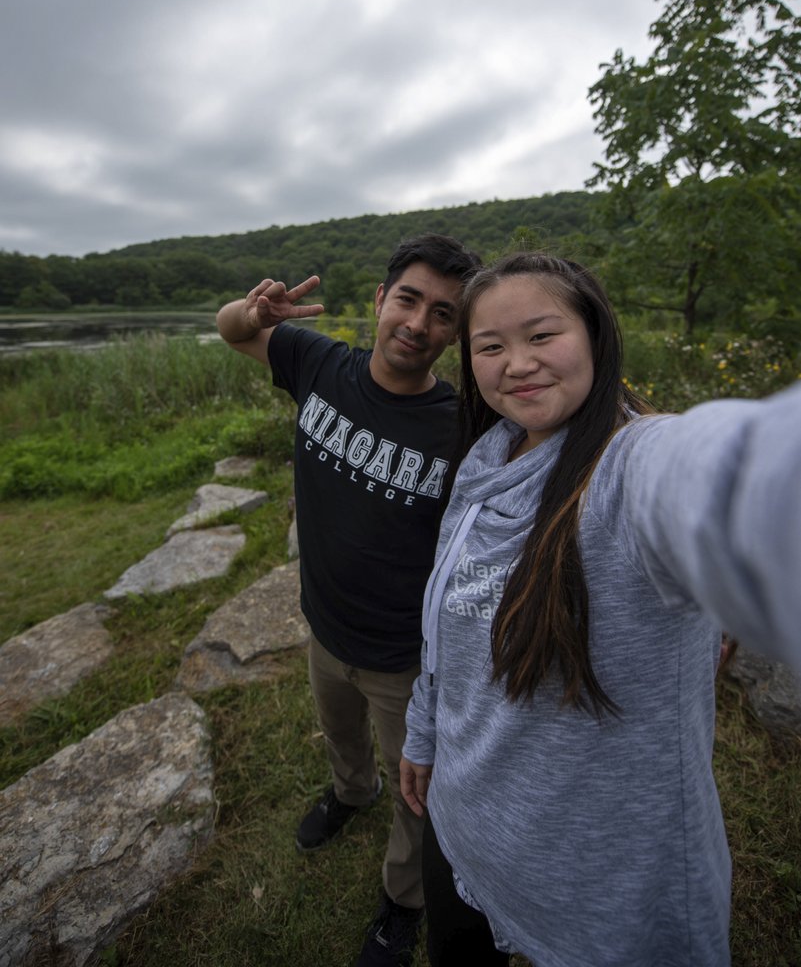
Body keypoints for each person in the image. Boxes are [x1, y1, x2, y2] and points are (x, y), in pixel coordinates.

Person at [400, 251, 801, 967]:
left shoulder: (628, 467)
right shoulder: (485, 461)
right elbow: (446, 625)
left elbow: (732, 480)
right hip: (461, 827)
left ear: (595, 335)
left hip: (598, 887)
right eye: (489, 347)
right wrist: (423, 734)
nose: (515, 363)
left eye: (541, 335)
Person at [216, 233, 481, 967]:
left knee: (417, 796)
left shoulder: (463, 428)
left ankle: (402, 901)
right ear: (379, 299)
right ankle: (346, 791)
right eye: (407, 300)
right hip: (324, 628)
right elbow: (231, 330)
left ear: (455, 333)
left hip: (405, 659)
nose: (418, 324)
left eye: (442, 315)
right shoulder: (316, 362)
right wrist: (250, 307)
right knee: (340, 734)